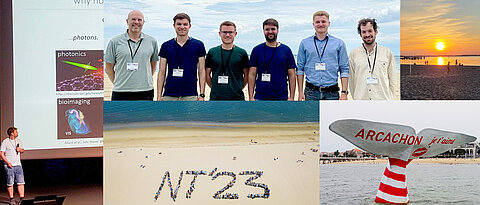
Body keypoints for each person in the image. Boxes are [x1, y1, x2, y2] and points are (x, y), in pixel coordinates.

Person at [105, 10, 159, 100]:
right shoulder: (115, 41)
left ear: (143, 22)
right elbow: (108, 67)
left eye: (139, 20)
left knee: (144, 115)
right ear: (127, 21)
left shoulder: (152, 41)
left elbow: (153, 65)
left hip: (145, 90)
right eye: (133, 19)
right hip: (121, 91)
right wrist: (118, 83)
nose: (136, 22)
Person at [297, 11, 349, 100]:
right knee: (311, 115)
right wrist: (300, 92)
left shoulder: (339, 44)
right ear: (313, 24)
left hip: (332, 93)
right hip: (311, 92)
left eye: (323, 22)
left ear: (329, 23)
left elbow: (344, 69)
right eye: (317, 22)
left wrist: (344, 93)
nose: (320, 24)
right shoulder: (304, 43)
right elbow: (300, 69)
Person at [158, 13, 206, 101]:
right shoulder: (166, 46)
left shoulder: (198, 45)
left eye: (185, 24)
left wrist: (202, 95)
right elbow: (161, 71)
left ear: (189, 26)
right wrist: (158, 96)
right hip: (169, 94)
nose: (182, 27)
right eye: (179, 24)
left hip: (190, 94)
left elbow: (202, 71)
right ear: (174, 26)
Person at [348, 18, 397, 100]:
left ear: (376, 31)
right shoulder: (353, 54)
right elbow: (351, 81)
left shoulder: (387, 53)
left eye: (370, 31)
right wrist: (356, 98)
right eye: (364, 32)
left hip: (382, 101)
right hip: (361, 101)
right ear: (360, 34)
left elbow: (393, 79)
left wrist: (390, 98)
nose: (367, 34)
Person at [248, 18, 296, 101]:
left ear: (277, 30)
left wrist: (291, 97)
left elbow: (292, 75)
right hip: (260, 97)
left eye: (273, 29)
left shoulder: (286, 50)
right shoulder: (257, 50)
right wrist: (251, 97)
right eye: (267, 29)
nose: (270, 31)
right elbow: (252, 74)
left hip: (281, 97)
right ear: (263, 31)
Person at [206, 21, 249, 100]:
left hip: (237, 98)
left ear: (235, 34)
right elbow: (207, 74)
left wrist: (238, 87)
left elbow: (247, 75)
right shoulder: (212, 52)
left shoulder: (242, 53)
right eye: (224, 32)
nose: (227, 35)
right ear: (219, 33)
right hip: (216, 98)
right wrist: (214, 87)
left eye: (230, 32)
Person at [1, 127, 25, 205]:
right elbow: (2, 154)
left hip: (18, 165)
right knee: (10, 183)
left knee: (21, 183)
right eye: (16, 132)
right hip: (9, 165)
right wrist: (8, 163)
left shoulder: (18, 141)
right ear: (12, 133)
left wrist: (19, 149)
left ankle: (22, 199)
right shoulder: (5, 142)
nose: (17, 133)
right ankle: (12, 199)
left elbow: (22, 150)